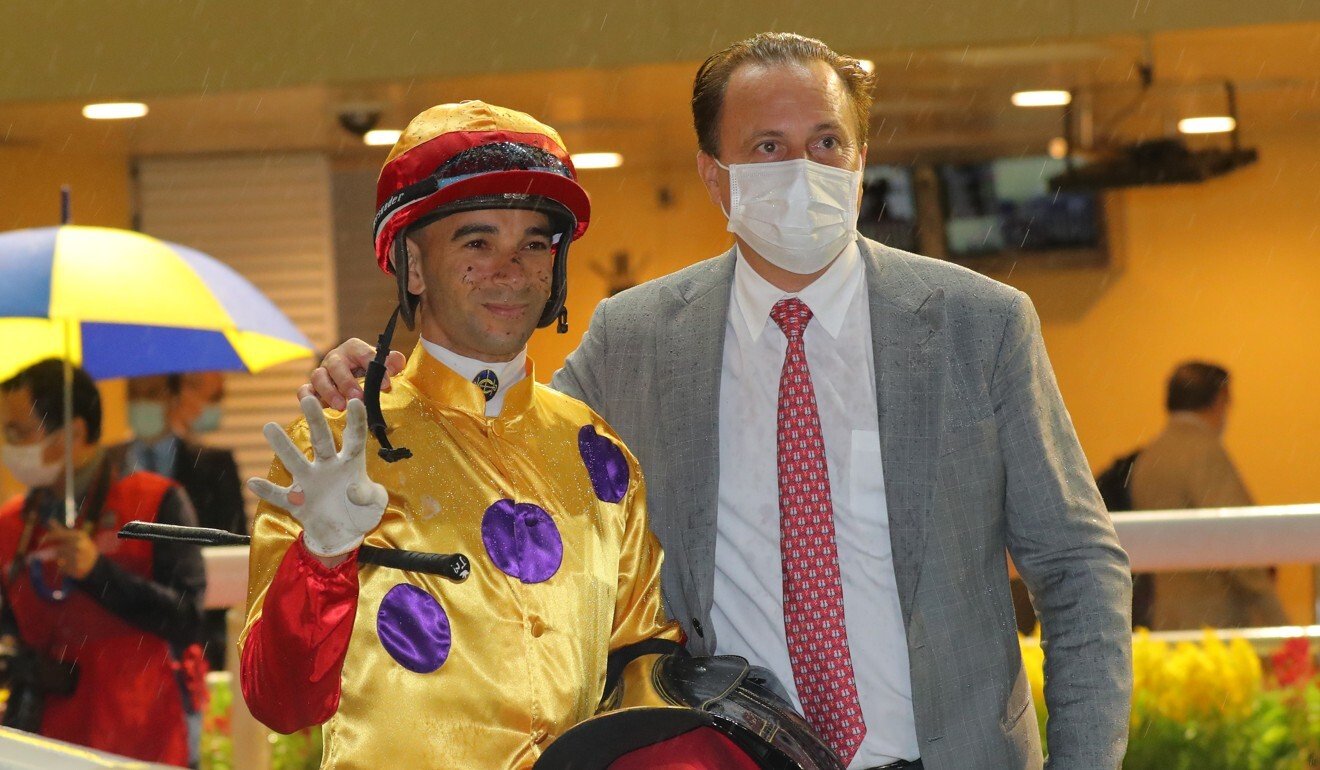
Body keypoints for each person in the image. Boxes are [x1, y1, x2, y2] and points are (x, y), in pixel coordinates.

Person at [307, 34, 1133, 769]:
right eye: (767, 146)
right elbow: (508, 447)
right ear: (714, 174)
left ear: (860, 157)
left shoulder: (977, 326)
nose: (801, 169)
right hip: (733, 755)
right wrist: (388, 382)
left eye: (826, 142)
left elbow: (1076, 567)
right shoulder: (638, 336)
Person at [236, 101, 790, 770]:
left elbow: (643, 663)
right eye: (477, 242)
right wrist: (320, 561)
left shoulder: (600, 454)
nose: (512, 268)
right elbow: (281, 703)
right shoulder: (334, 447)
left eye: (535, 243)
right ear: (413, 267)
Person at [0, 359, 207, 766]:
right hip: (41, 736)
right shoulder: (11, 524)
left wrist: (99, 574)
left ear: (73, 432)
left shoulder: (154, 501)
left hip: (140, 732)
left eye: (17, 432)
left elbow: (186, 616)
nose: (7, 444)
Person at [1130, 361, 1287, 629]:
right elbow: (1236, 540)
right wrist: (1274, 613)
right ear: (1220, 399)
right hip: (1214, 621)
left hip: (1166, 618)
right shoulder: (1204, 453)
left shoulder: (1150, 456)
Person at [111, 372, 246, 669]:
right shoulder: (108, 464)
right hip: (121, 629)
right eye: (134, 396)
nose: (142, 404)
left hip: (196, 631)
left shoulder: (213, 464)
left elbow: (235, 546)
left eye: (152, 394)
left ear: (174, 398)